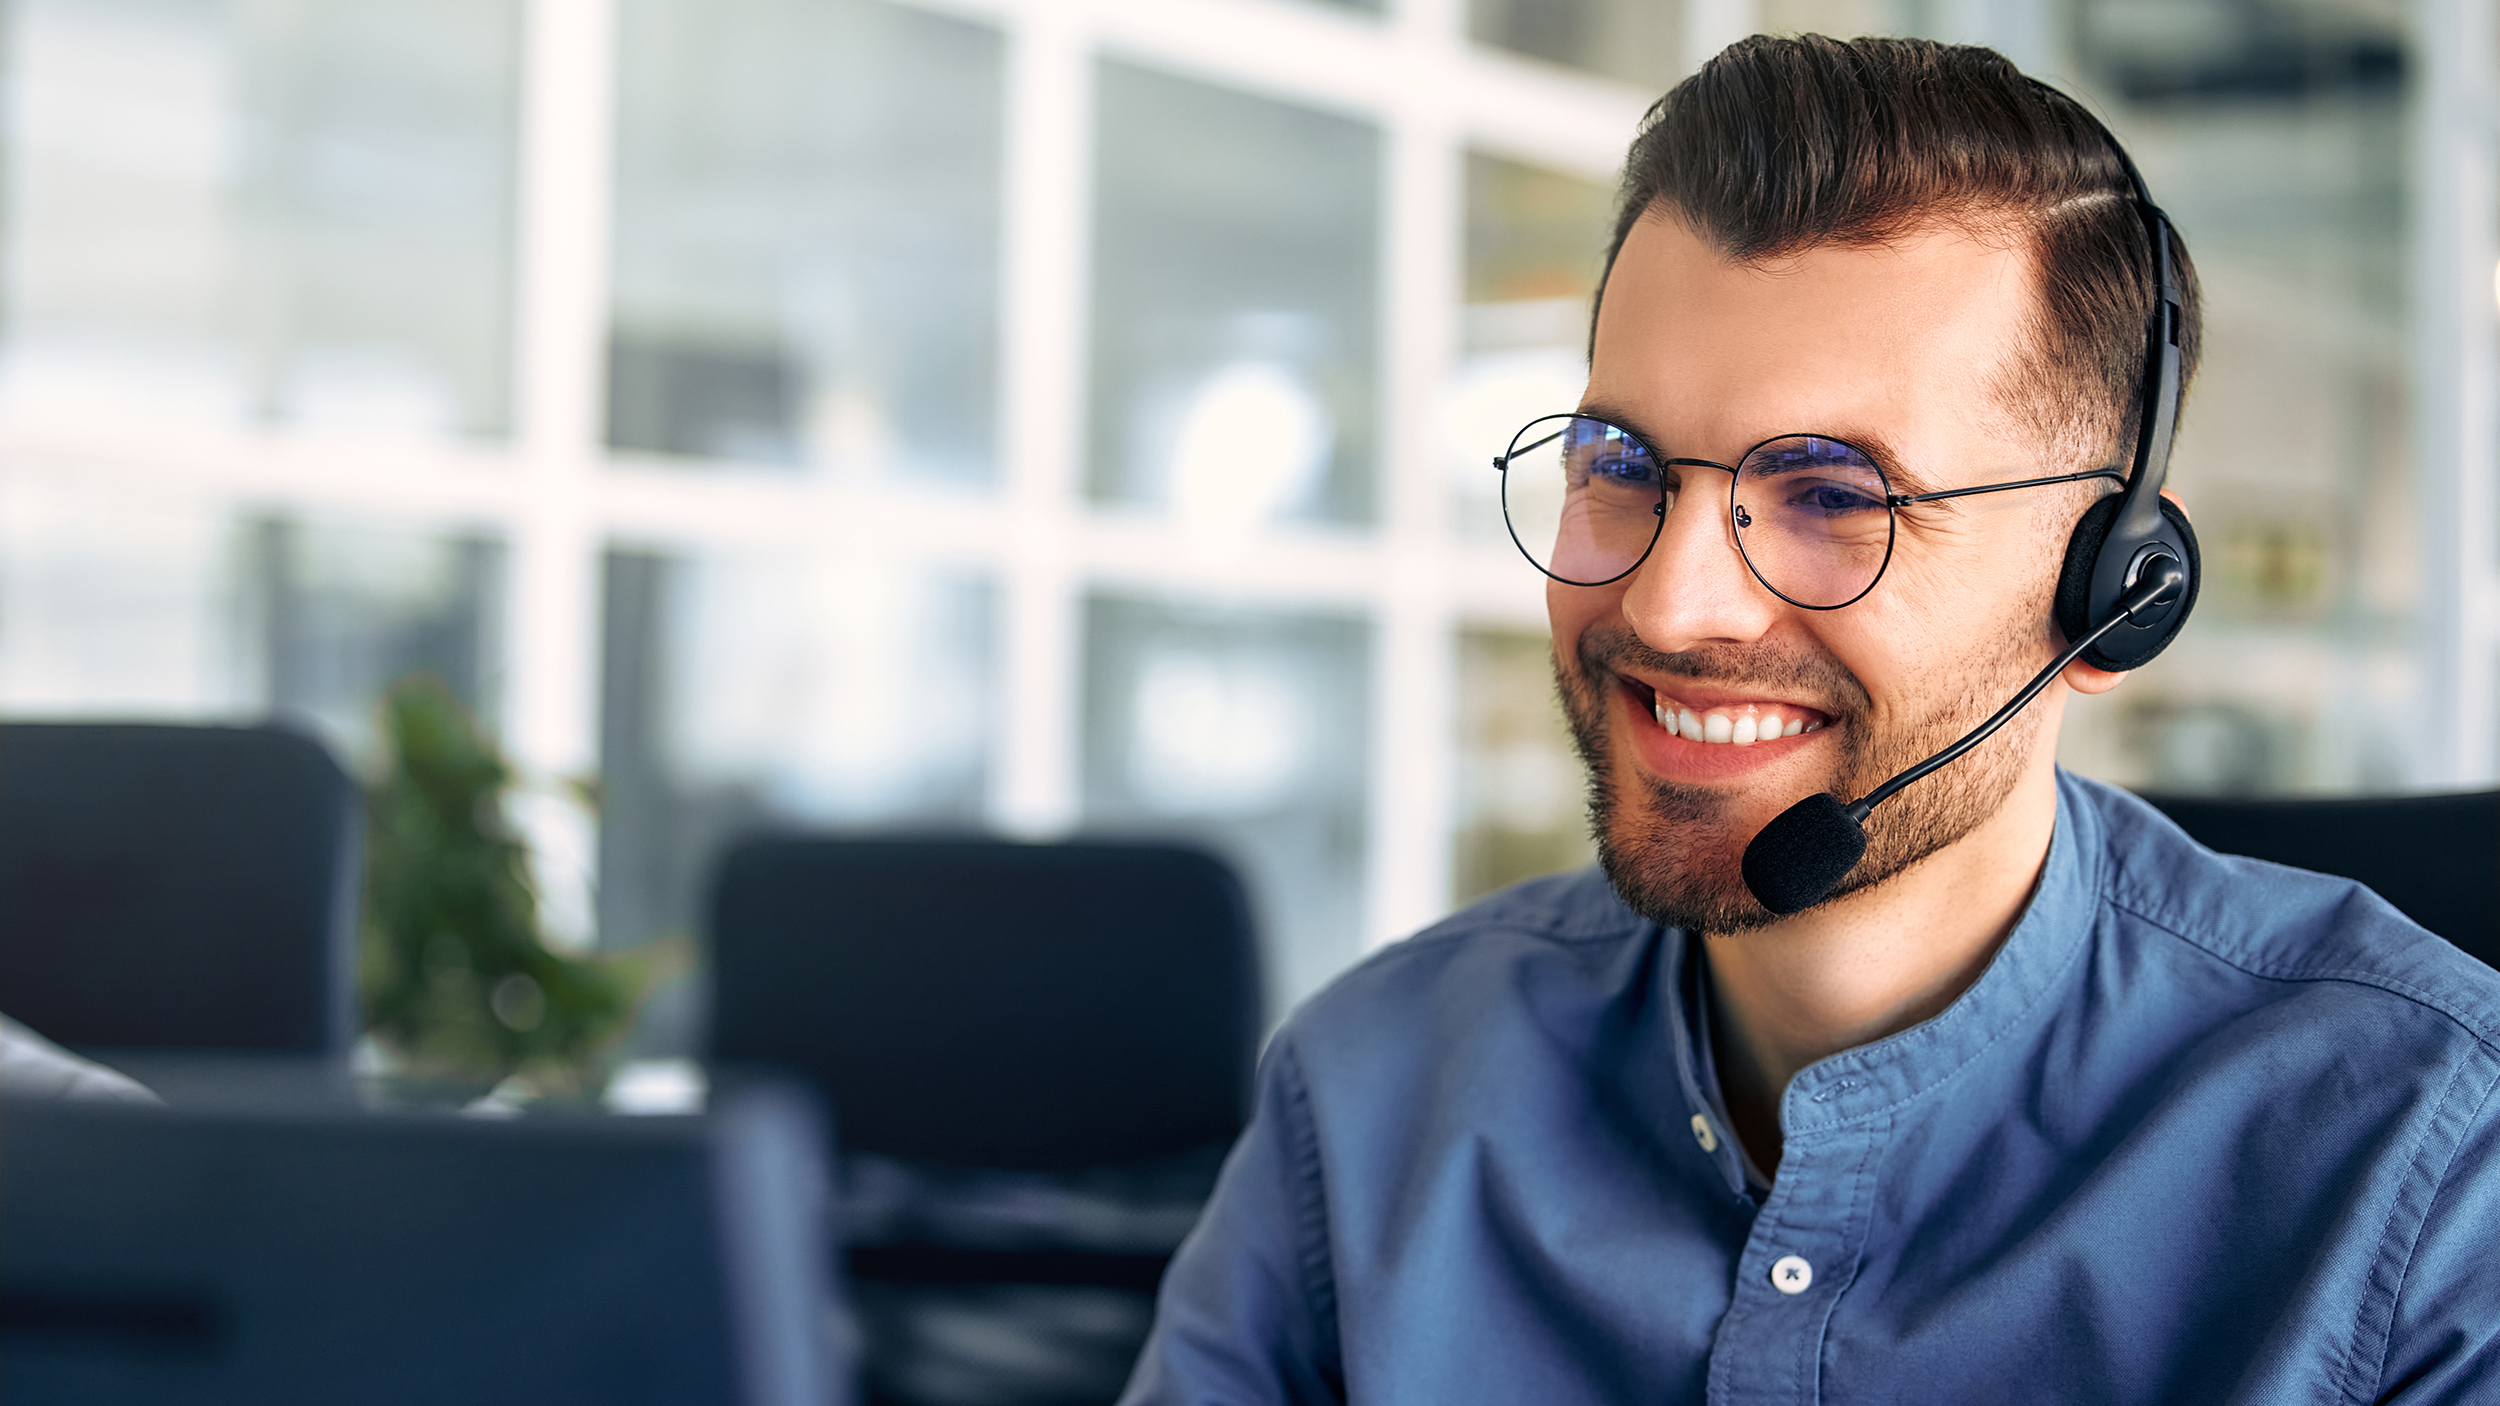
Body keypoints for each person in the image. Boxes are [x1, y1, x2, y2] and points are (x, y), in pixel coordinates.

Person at [1118, 34, 2500, 1405]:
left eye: (1836, 494)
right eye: (1622, 464)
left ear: (2116, 595)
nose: (1669, 604)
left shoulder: (2425, 1166)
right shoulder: (1370, 1093)